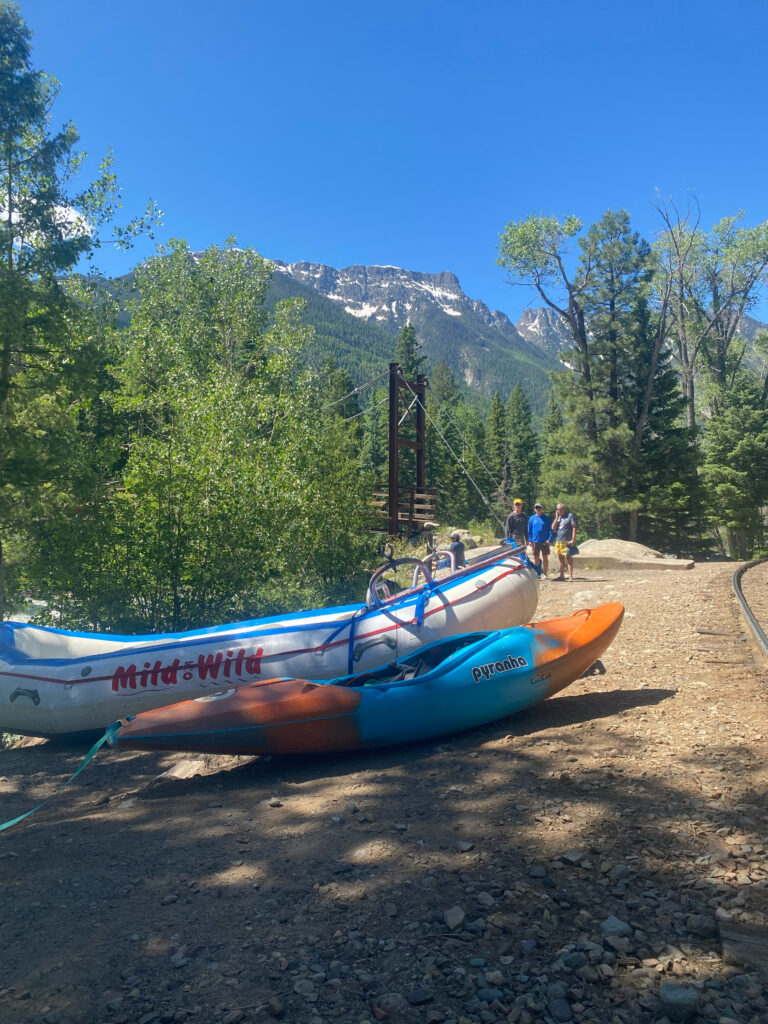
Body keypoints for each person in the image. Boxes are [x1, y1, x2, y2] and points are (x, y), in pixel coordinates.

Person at [552, 502, 577, 581]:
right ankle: (562, 576)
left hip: (567, 541)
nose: (559, 510)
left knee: (569, 558)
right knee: (561, 559)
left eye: (560, 509)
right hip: (559, 540)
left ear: (564, 509)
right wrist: (556, 517)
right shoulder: (559, 517)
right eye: (557, 509)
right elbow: (553, 527)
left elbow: (574, 527)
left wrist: (573, 539)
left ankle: (570, 576)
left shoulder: (570, 516)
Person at [528, 502, 553, 578]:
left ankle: (545, 573)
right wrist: (530, 540)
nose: (538, 509)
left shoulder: (546, 518)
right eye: (536, 508)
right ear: (535, 509)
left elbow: (550, 530)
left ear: (542, 509)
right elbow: (529, 530)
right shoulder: (532, 518)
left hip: (545, 541)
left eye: (539, 508)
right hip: (535, 541)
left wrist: (549, 539)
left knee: (545, 557)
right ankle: (537, 573)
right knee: (536, 557)